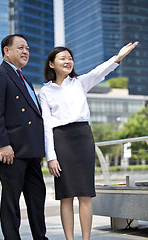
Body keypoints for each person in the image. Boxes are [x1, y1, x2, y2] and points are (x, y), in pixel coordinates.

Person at [38, 42, 138, 240]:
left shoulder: (80, 82)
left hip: (83, 137)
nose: (68, 61)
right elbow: (46, 126)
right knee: (65, 196)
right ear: (51, 64)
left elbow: (101, 71)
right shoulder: (45, 92)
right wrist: (51, 157)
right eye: (62, 58)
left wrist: (118, 57)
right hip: (61, 141)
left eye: (70, 58)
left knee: (85, 193)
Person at [0, 34, 49, 240]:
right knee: (11, 200)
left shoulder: (27, 82)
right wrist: (2, 144)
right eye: (21, 47)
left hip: (32, 152)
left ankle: (40, 238)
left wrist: (40, 149)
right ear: (7, 50)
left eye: (28, 49)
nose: (26, 52)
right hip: (11, 152)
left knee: (37, 198)